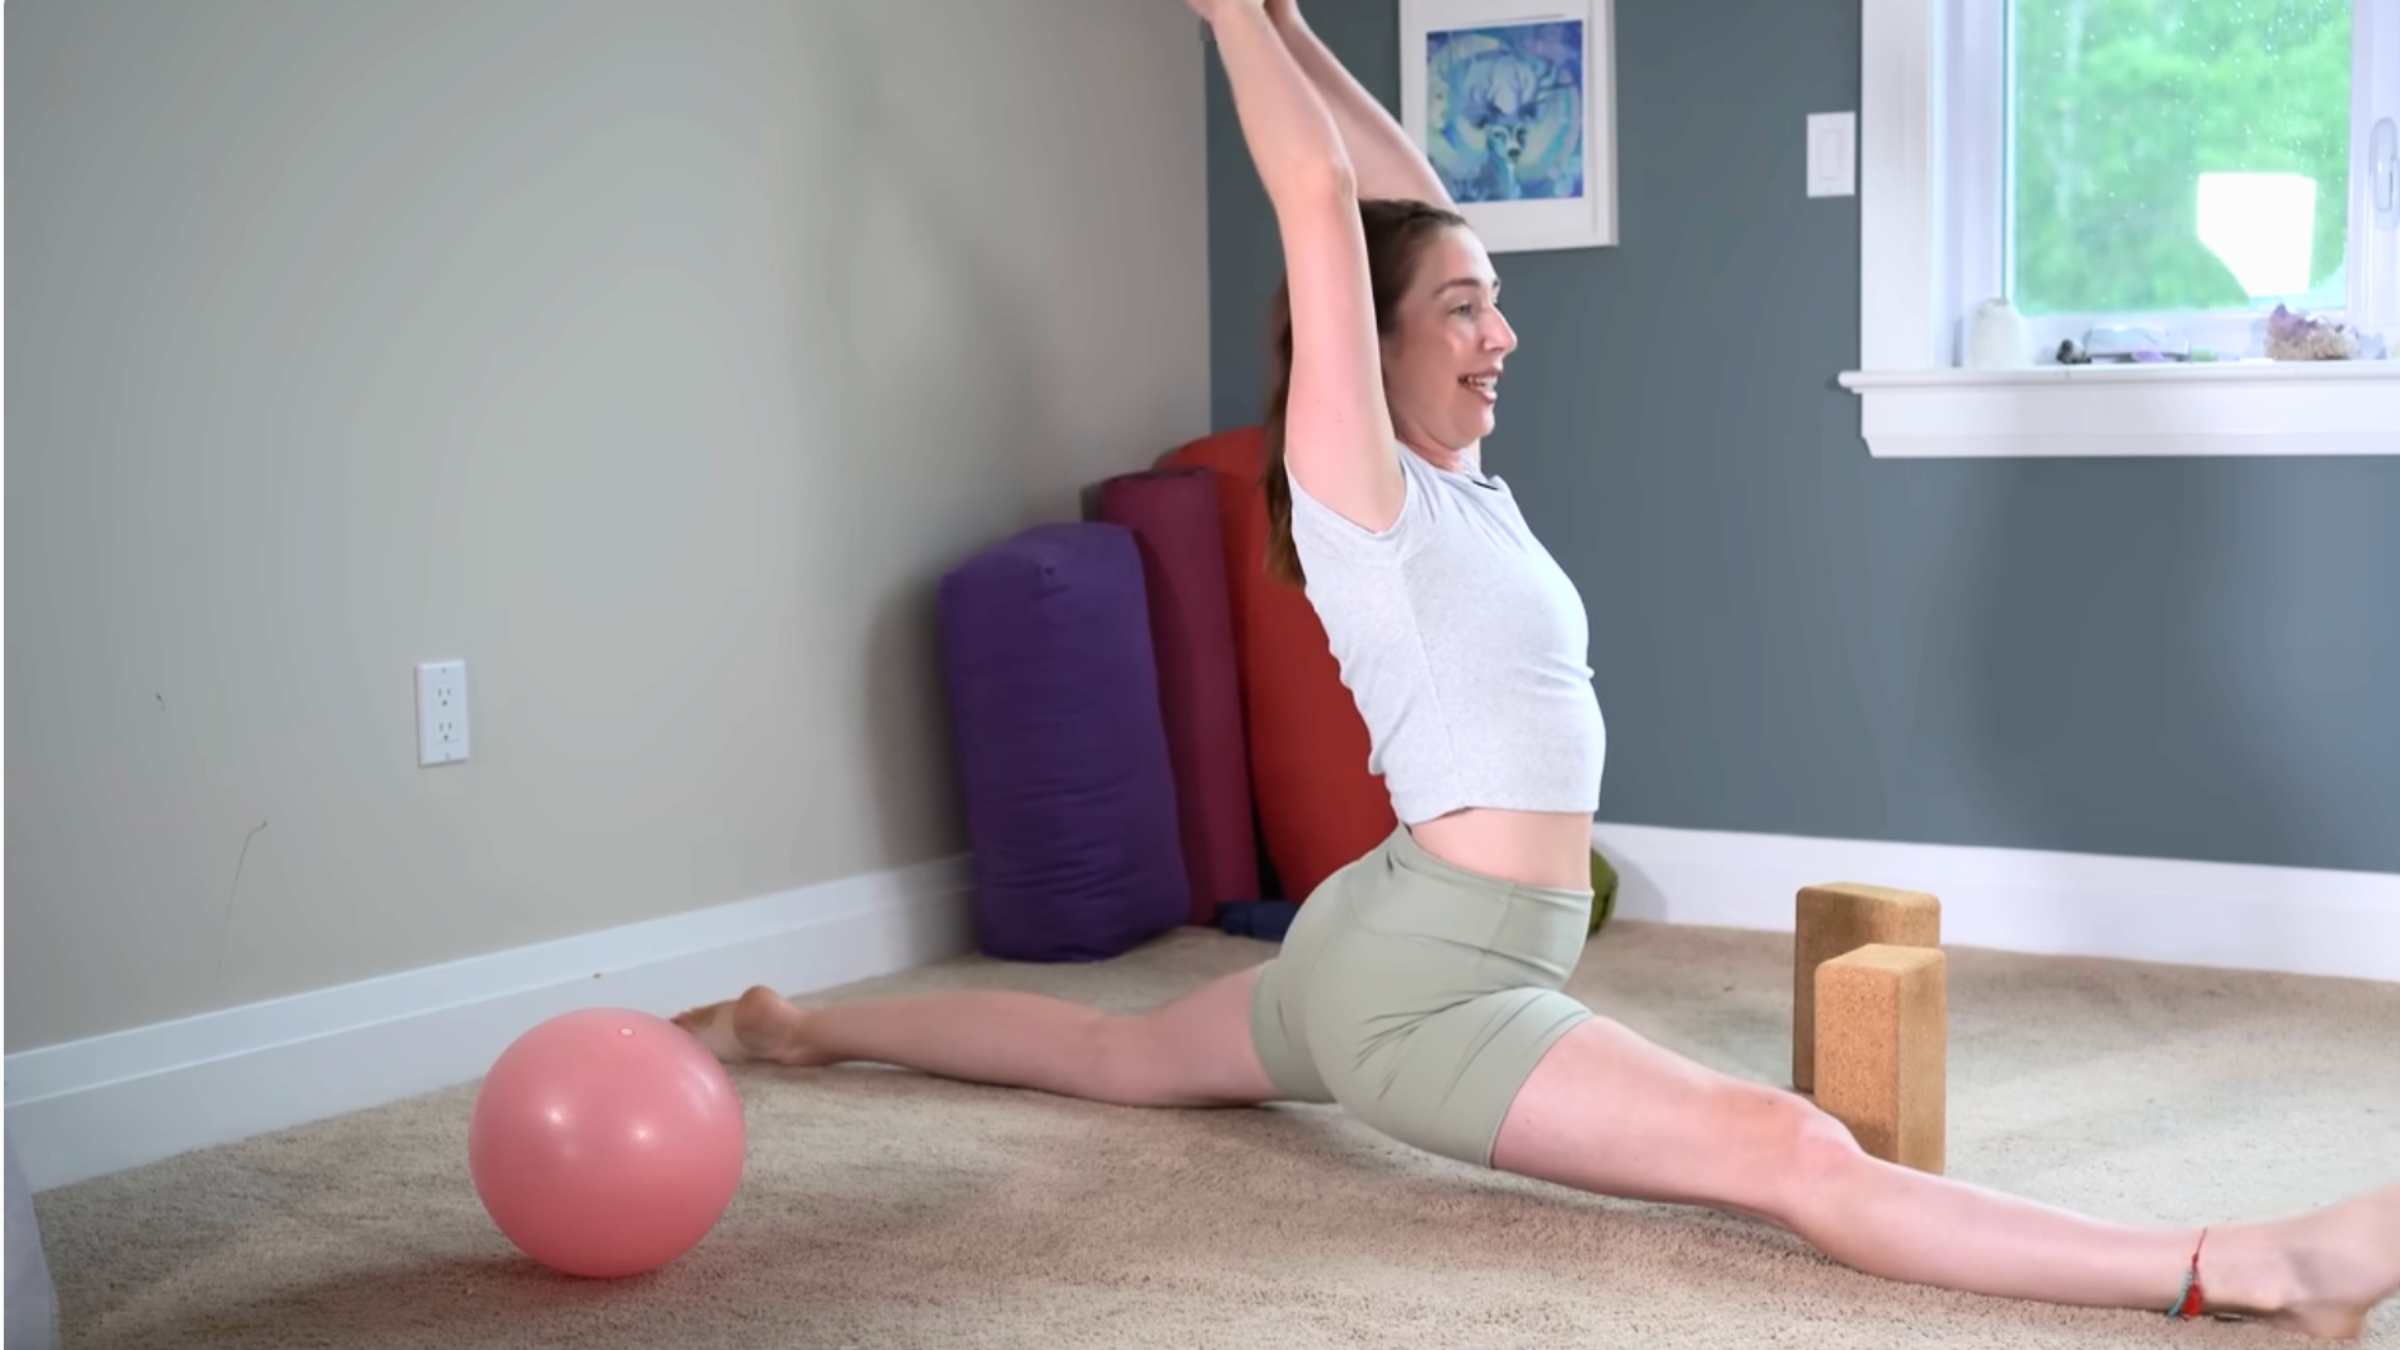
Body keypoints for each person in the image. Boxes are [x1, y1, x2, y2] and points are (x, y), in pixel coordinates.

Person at [677, 0, 2400, 1335]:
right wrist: (1221, 24)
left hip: (1397, 918)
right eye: (1466, 309)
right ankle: (2237, 1266)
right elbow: (1318, 201)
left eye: (1496, 301)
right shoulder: (1348, 477)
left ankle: (802, 1022)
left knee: (1123, 1055)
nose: (1503, 329)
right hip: (1427, 982)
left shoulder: (1455, 484)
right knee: (1795, 1157)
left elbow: (1403, 199)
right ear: (1377, 341)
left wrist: (1286, 24)